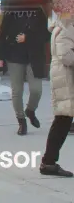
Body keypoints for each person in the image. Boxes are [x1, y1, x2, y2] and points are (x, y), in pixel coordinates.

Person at [0, 3, 50, 135]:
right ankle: (21, 121)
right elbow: (2, 35)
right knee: (17, 91)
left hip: (34, 57)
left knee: (36, 90)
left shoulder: (38, 11)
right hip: (14, 56)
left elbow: (46, 35)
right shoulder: (11, 11)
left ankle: (30, 110)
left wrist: (28, 38)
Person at [39, 11, 74, 177]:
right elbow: (66, 56)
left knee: (64, 119)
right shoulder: (66, 27)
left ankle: (49, 161)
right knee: (63, 119)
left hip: (65, 77)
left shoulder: (65, 26)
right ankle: (48, 162)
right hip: (64, 79)